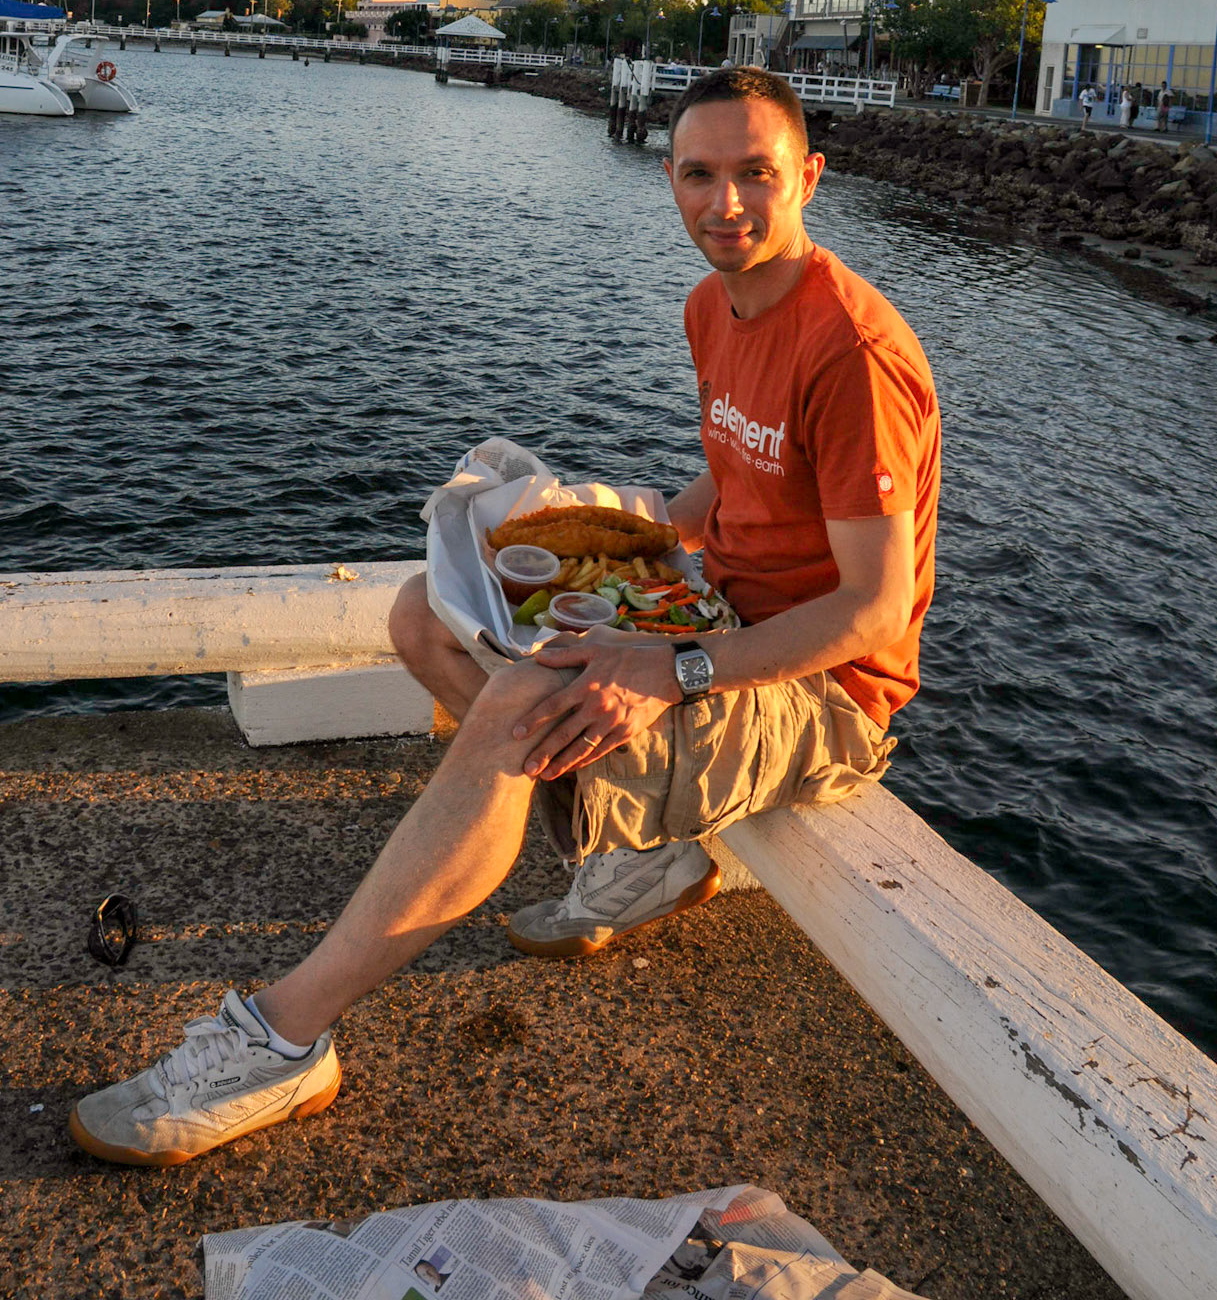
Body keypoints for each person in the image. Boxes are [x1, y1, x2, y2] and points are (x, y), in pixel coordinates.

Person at [68, 68, 941, 1169]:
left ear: (807, 176)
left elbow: (869, 610)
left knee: (521, 709)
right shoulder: (713, 304)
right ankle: (641, 850)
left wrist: (667, 669)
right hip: (708, 610)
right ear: (667, 176)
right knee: (422, 612)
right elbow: (733, 477)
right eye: (699, 173)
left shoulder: (851, 352)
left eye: (754, 174)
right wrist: (606, 530)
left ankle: (281, 1038)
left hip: (818, 690)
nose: (725, 203)